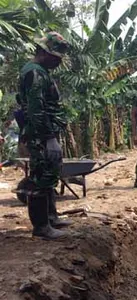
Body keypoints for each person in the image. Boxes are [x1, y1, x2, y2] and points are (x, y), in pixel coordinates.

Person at [18, 32, 71, 240]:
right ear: (43, 52)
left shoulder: (39, 71)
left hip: (43, 132)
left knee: (50, 171)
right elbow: (36, 108)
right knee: (42, 175)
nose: (58, 61)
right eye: (55, 56)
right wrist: (48, 138)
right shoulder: (35, 73)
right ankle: (41, 226)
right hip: (40, 134)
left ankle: (51, 217)